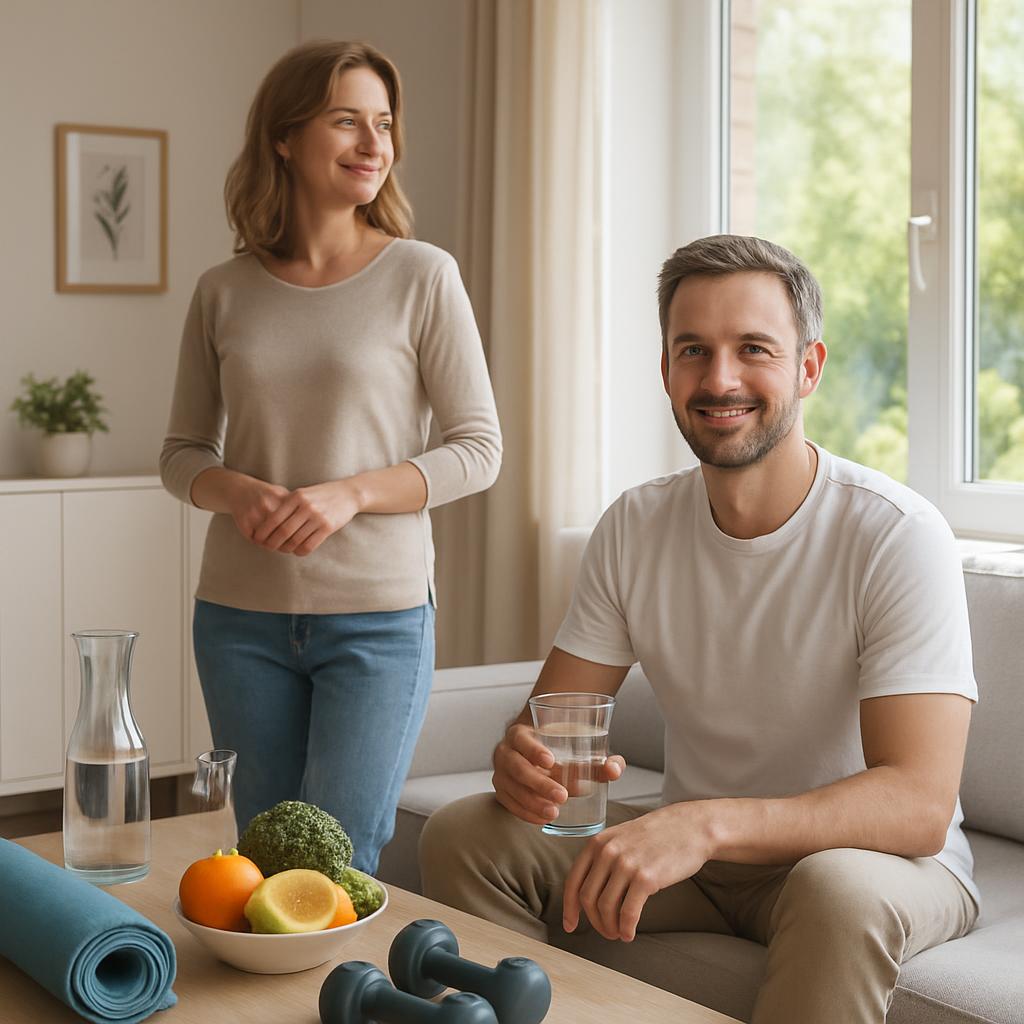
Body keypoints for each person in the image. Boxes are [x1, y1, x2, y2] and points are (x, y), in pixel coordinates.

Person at [420, 235, 977, 1023]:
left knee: (836, 889)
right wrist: (526, 765)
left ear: (807, 367)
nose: (720, 380)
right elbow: (555, 733)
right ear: (666, 370)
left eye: (753, 349)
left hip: (880, 863)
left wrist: (706, 823)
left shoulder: (895, 533)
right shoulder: (637, 525)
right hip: (706, 862)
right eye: (694, 350)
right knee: (466, 833)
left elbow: (918, 802)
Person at [160, 40, 501, 874]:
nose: (372, 143)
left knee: (342, 858)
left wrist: (350, 495)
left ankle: (343, 1004)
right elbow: (179, 454)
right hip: (238, 620)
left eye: (383, 124)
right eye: (346, 120)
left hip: (380, 619)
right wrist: (233, 489)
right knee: (268, 858)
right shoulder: (224, 290)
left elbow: (478, 449)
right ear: (284, 137)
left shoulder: (423, 275)